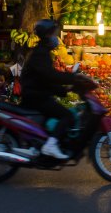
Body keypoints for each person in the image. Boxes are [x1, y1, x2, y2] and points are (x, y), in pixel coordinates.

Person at [20, 19, 85, 160]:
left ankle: (37, 145)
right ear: (47, 35)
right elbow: (50, 76)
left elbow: (46, 78)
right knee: (66, 115)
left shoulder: (42, 52)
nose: (57, 38)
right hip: (36, 97)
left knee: (51, 117)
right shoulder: (40, 54)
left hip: (37, 94)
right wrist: (71, 78)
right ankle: (50, 145)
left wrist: (63, 91)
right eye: (54, 34)